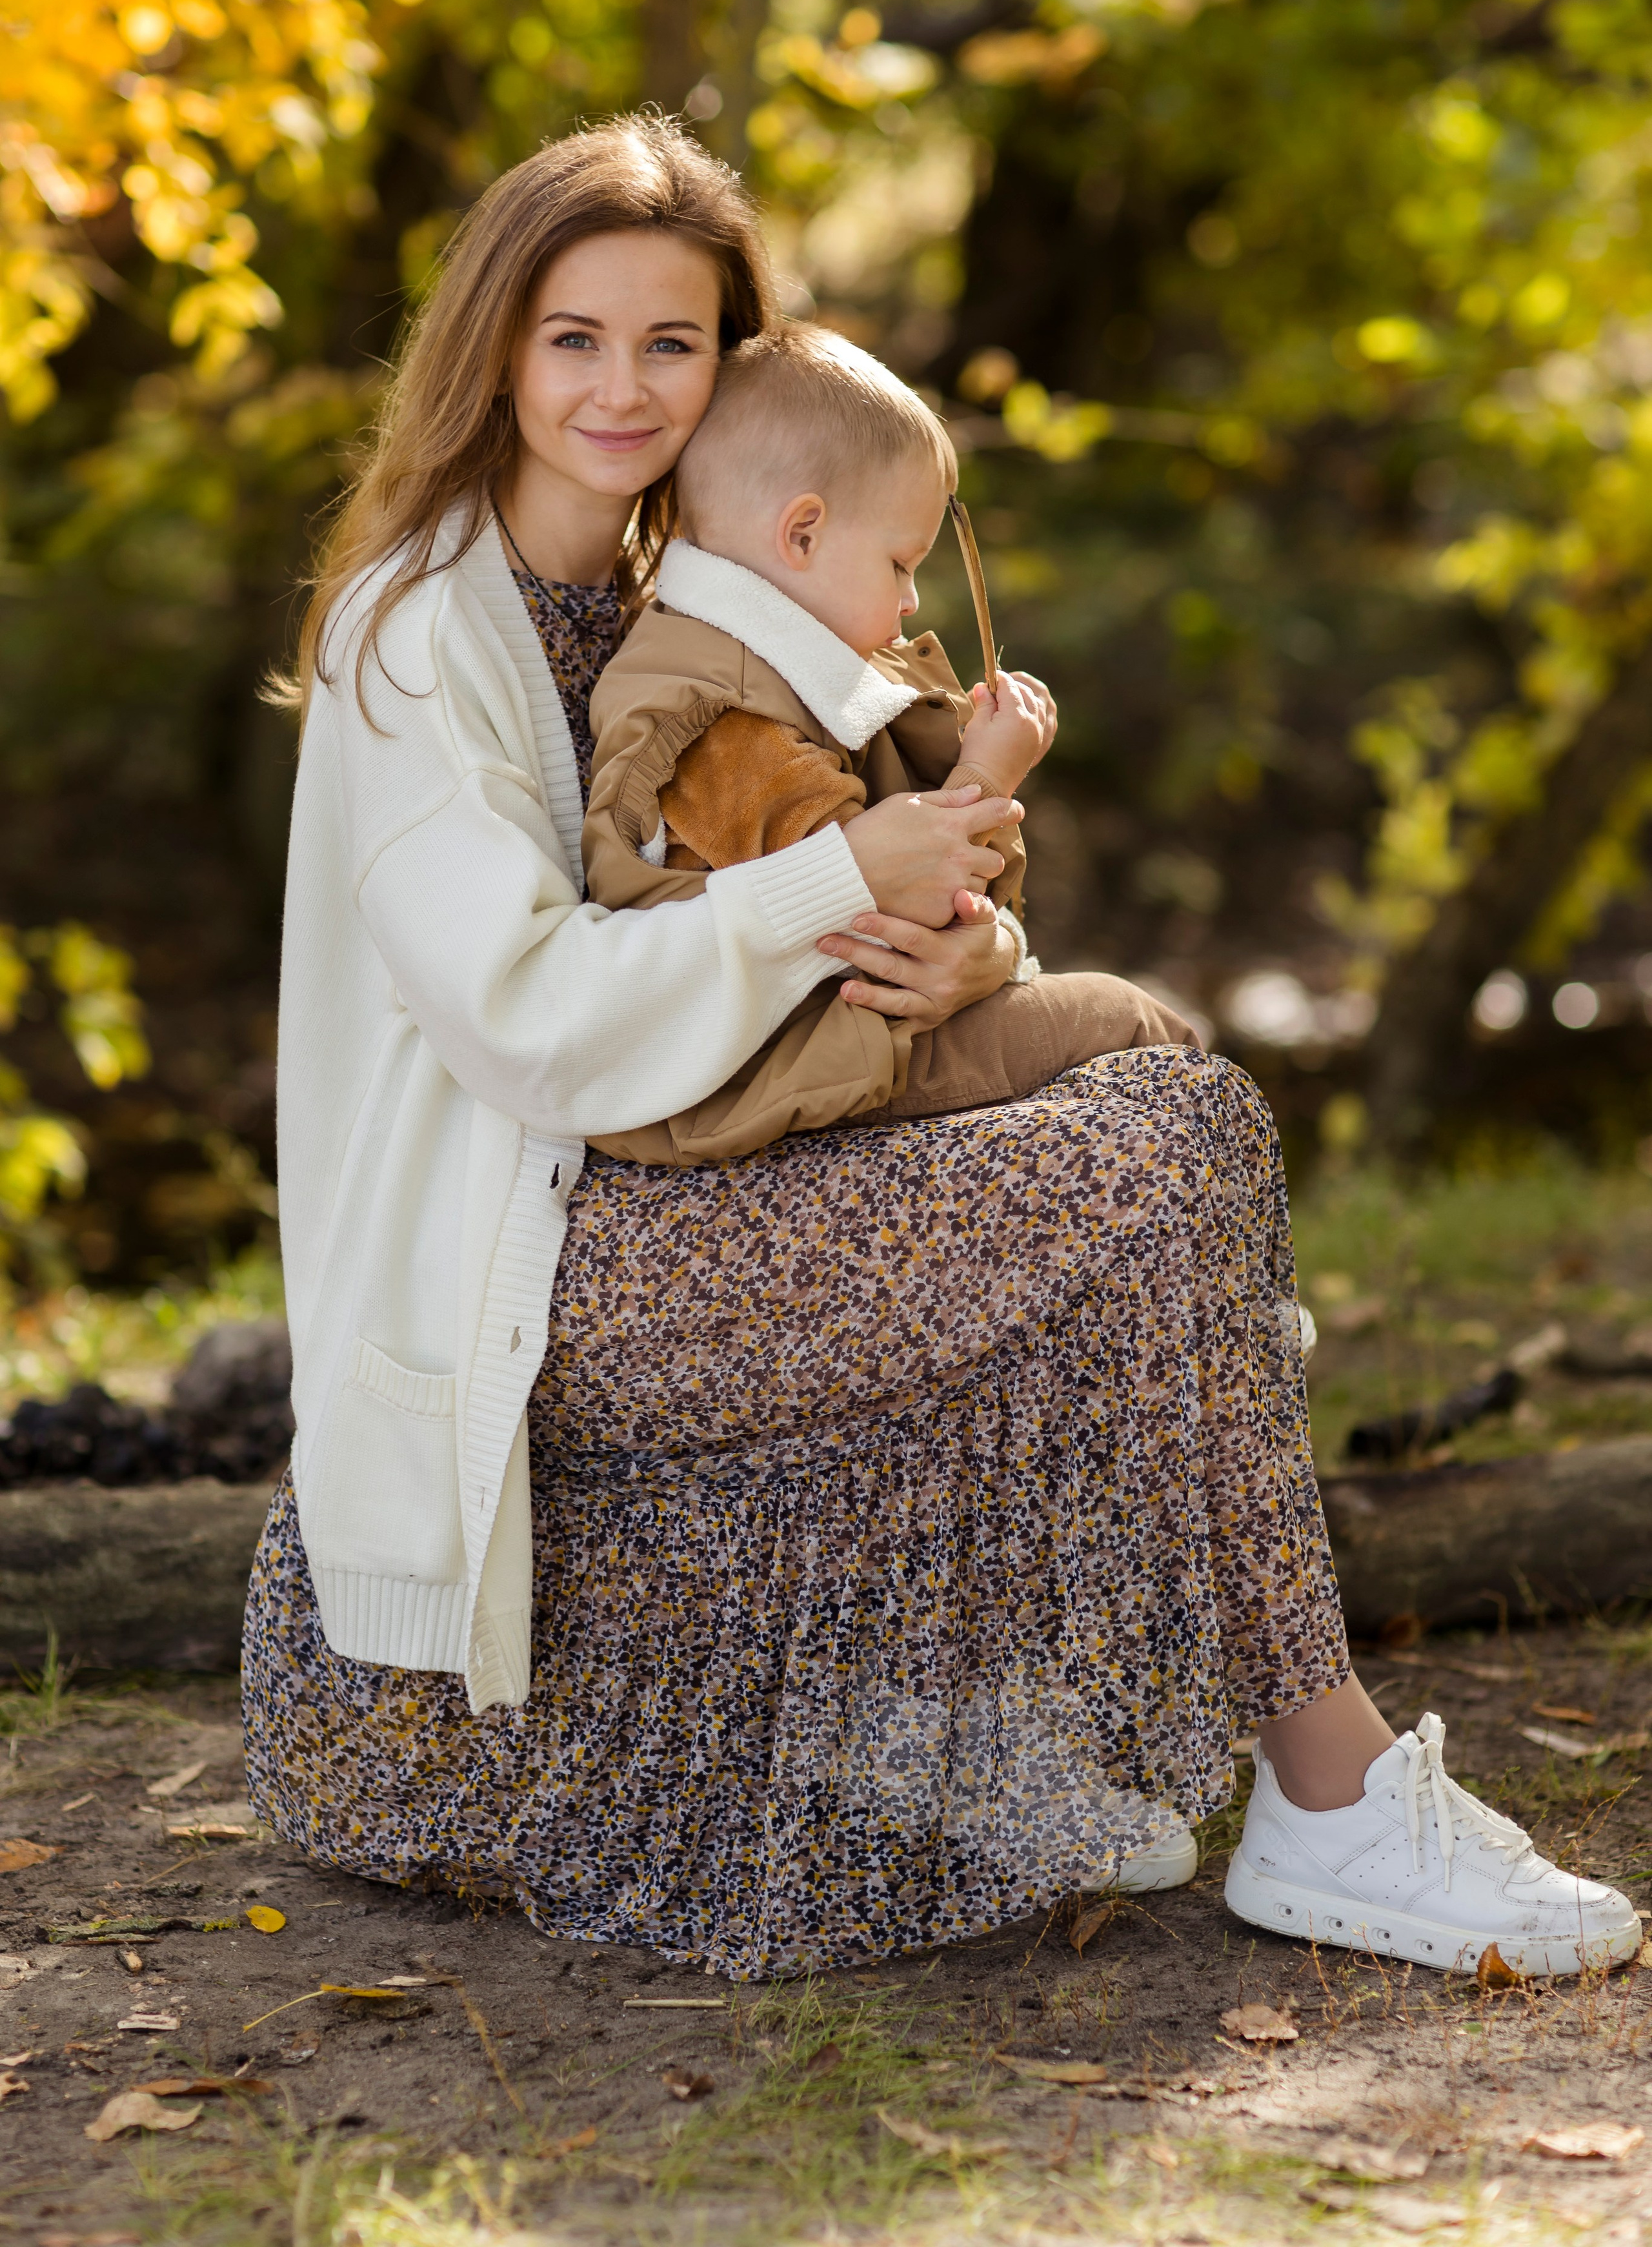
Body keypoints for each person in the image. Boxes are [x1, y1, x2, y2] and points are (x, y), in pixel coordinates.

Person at [242, 114, 1639, 1985]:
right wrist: (827, 891)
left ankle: (1240, 1766)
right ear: (496, 342)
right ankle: (1330, 1798)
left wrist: (956, 935)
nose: (621, 386)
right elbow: (535, 1024)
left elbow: (845, 894)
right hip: (553, 1259)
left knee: (1166, 1114)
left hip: (690, 1177)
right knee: (1170, 1157)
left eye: (673, 342)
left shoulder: (713, 578)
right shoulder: (420, 641)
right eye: (574, 335)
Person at [576, 319, 1198, 1167]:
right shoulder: (715, 718)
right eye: (901, 564)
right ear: (803, 535)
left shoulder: (753, 670)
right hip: (784, 1061)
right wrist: (986, 770)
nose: (910, 603)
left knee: (1144, 1066)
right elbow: (892, 904)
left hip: (835, 1031)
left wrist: (997, 938)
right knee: (1134, 1026)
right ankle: (1258, 1302)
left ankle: (1223, 1293)